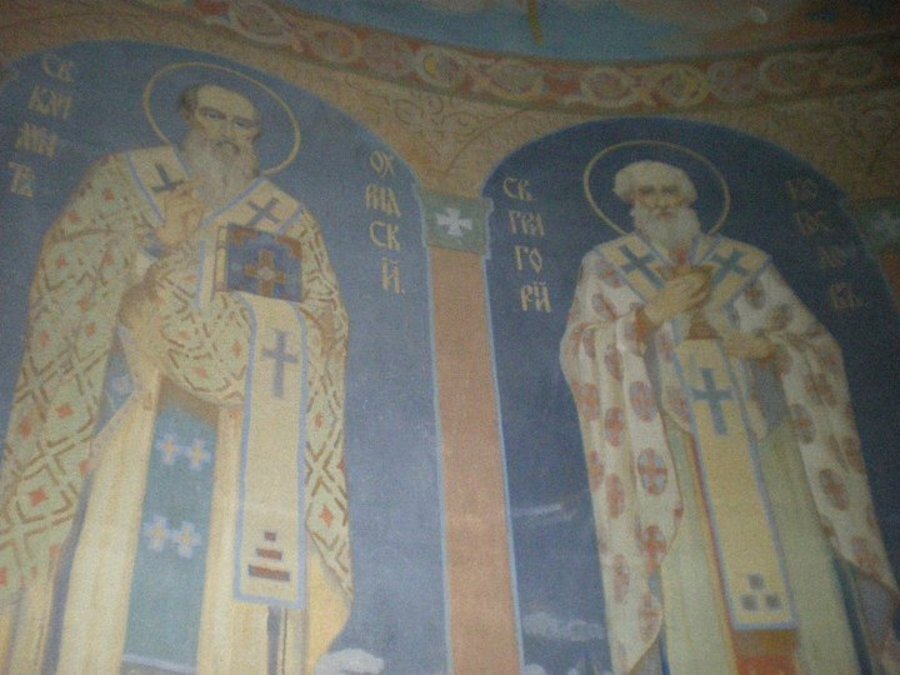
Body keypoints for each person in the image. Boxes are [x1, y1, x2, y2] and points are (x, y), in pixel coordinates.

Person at [0, 83, 352, 673]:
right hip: (127, 412)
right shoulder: (124, 181)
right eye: (215, 116)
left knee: (224, 610)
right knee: (98, 583)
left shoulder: (286, 220)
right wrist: (152, 249)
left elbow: (327, 325)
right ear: (188, 117)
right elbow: (64, 278)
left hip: (238, 440)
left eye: (243, 125)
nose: (227, 134)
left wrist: (249, 329)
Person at [561, 160, 898, 674]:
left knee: (798, 567)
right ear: (631, 204)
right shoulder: (607, 267)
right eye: (647, 193)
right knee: (691, 572)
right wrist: (648, 317)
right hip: (670, 451)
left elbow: (817, 347)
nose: (661, 202)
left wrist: (765, 348)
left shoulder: (746, 265)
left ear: (690, 199)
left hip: (767, 447)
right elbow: (581, 352)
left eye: (671, 191)